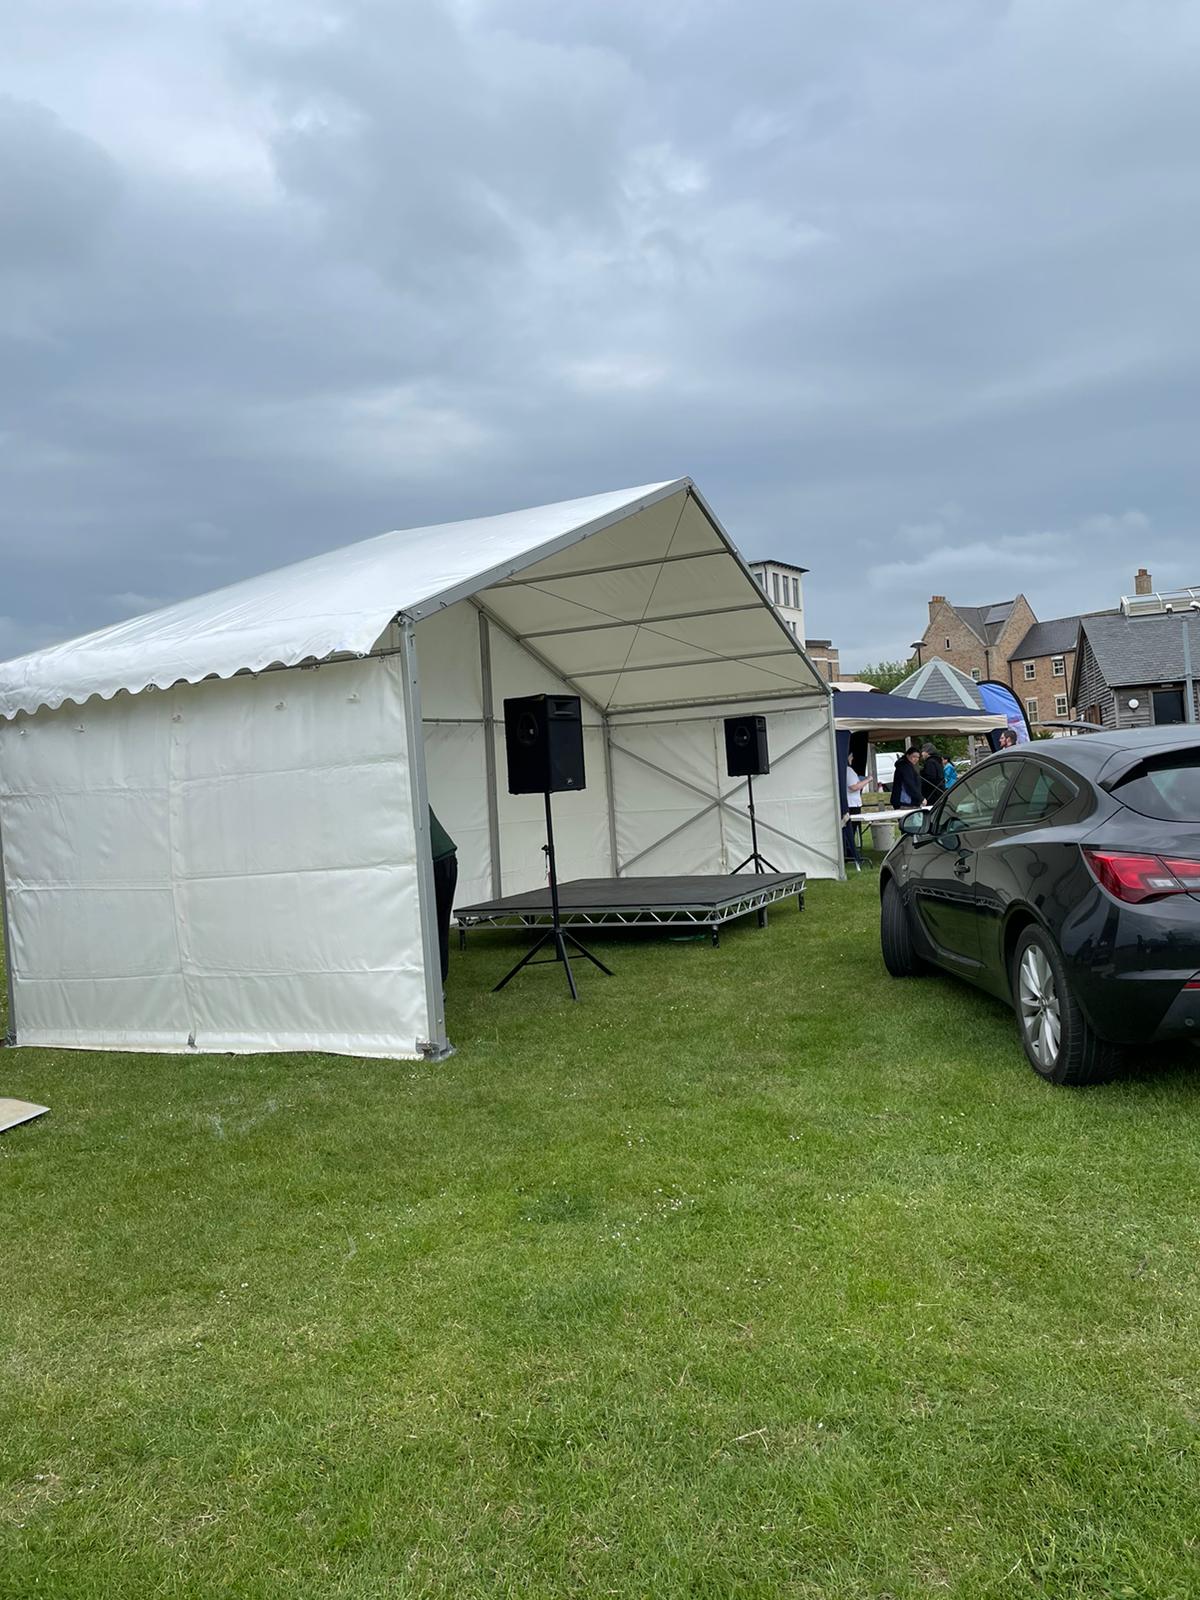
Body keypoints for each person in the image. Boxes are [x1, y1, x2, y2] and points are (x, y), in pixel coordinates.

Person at [429, 807, 457, 988]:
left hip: (438, 861)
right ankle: (438, 978)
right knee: (439, 924)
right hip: (444, 859)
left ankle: (438, 980)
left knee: (436, 925)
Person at [844, 760, 871, 871]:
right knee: (851, 830)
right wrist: (867, 780)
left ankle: (849, 851)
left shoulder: (848, 770)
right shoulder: (848, 770)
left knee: (851, 830)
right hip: (852, 805)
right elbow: (853, 787)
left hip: (852, 803)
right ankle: (849, 852)